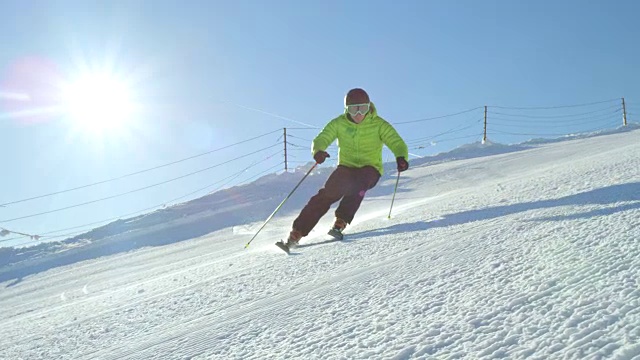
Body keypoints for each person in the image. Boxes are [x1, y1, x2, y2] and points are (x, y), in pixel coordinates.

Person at [284, 88, 409, 248]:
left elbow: (396, 142)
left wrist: (401, 157)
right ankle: (297, 232)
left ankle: (340, 221)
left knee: (359, 185)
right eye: (353, 109)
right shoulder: (339, 123)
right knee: (328, 193)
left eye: (362, 108)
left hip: (370, 168)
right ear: (346, 109)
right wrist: (318, 151)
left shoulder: (379, 125)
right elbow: (323, 137)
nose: (358, 114)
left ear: (368, 107)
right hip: (346, 167)